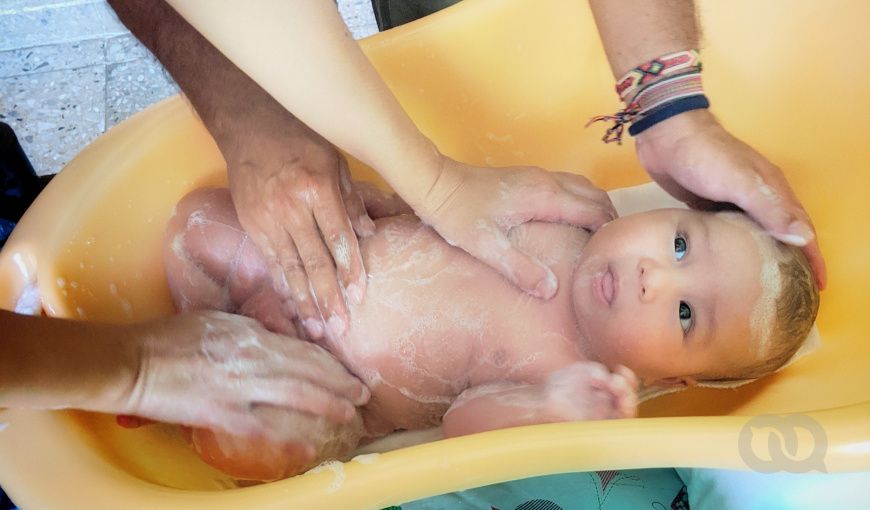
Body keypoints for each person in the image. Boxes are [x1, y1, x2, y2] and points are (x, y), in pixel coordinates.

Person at [161, 180, 819, 481]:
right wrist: (389, 200)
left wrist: (549, 410)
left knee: (254, 437)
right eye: (679, 245)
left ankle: (187, 383)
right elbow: (458, 194)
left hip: (312, 376)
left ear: (673, 379)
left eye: (684, 315)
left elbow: (462, 428)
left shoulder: (568, 380)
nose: (655, 279)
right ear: (671, 208)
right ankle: (190, 328)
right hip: (303, 262)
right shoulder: (571, 212)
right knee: (199, 221)